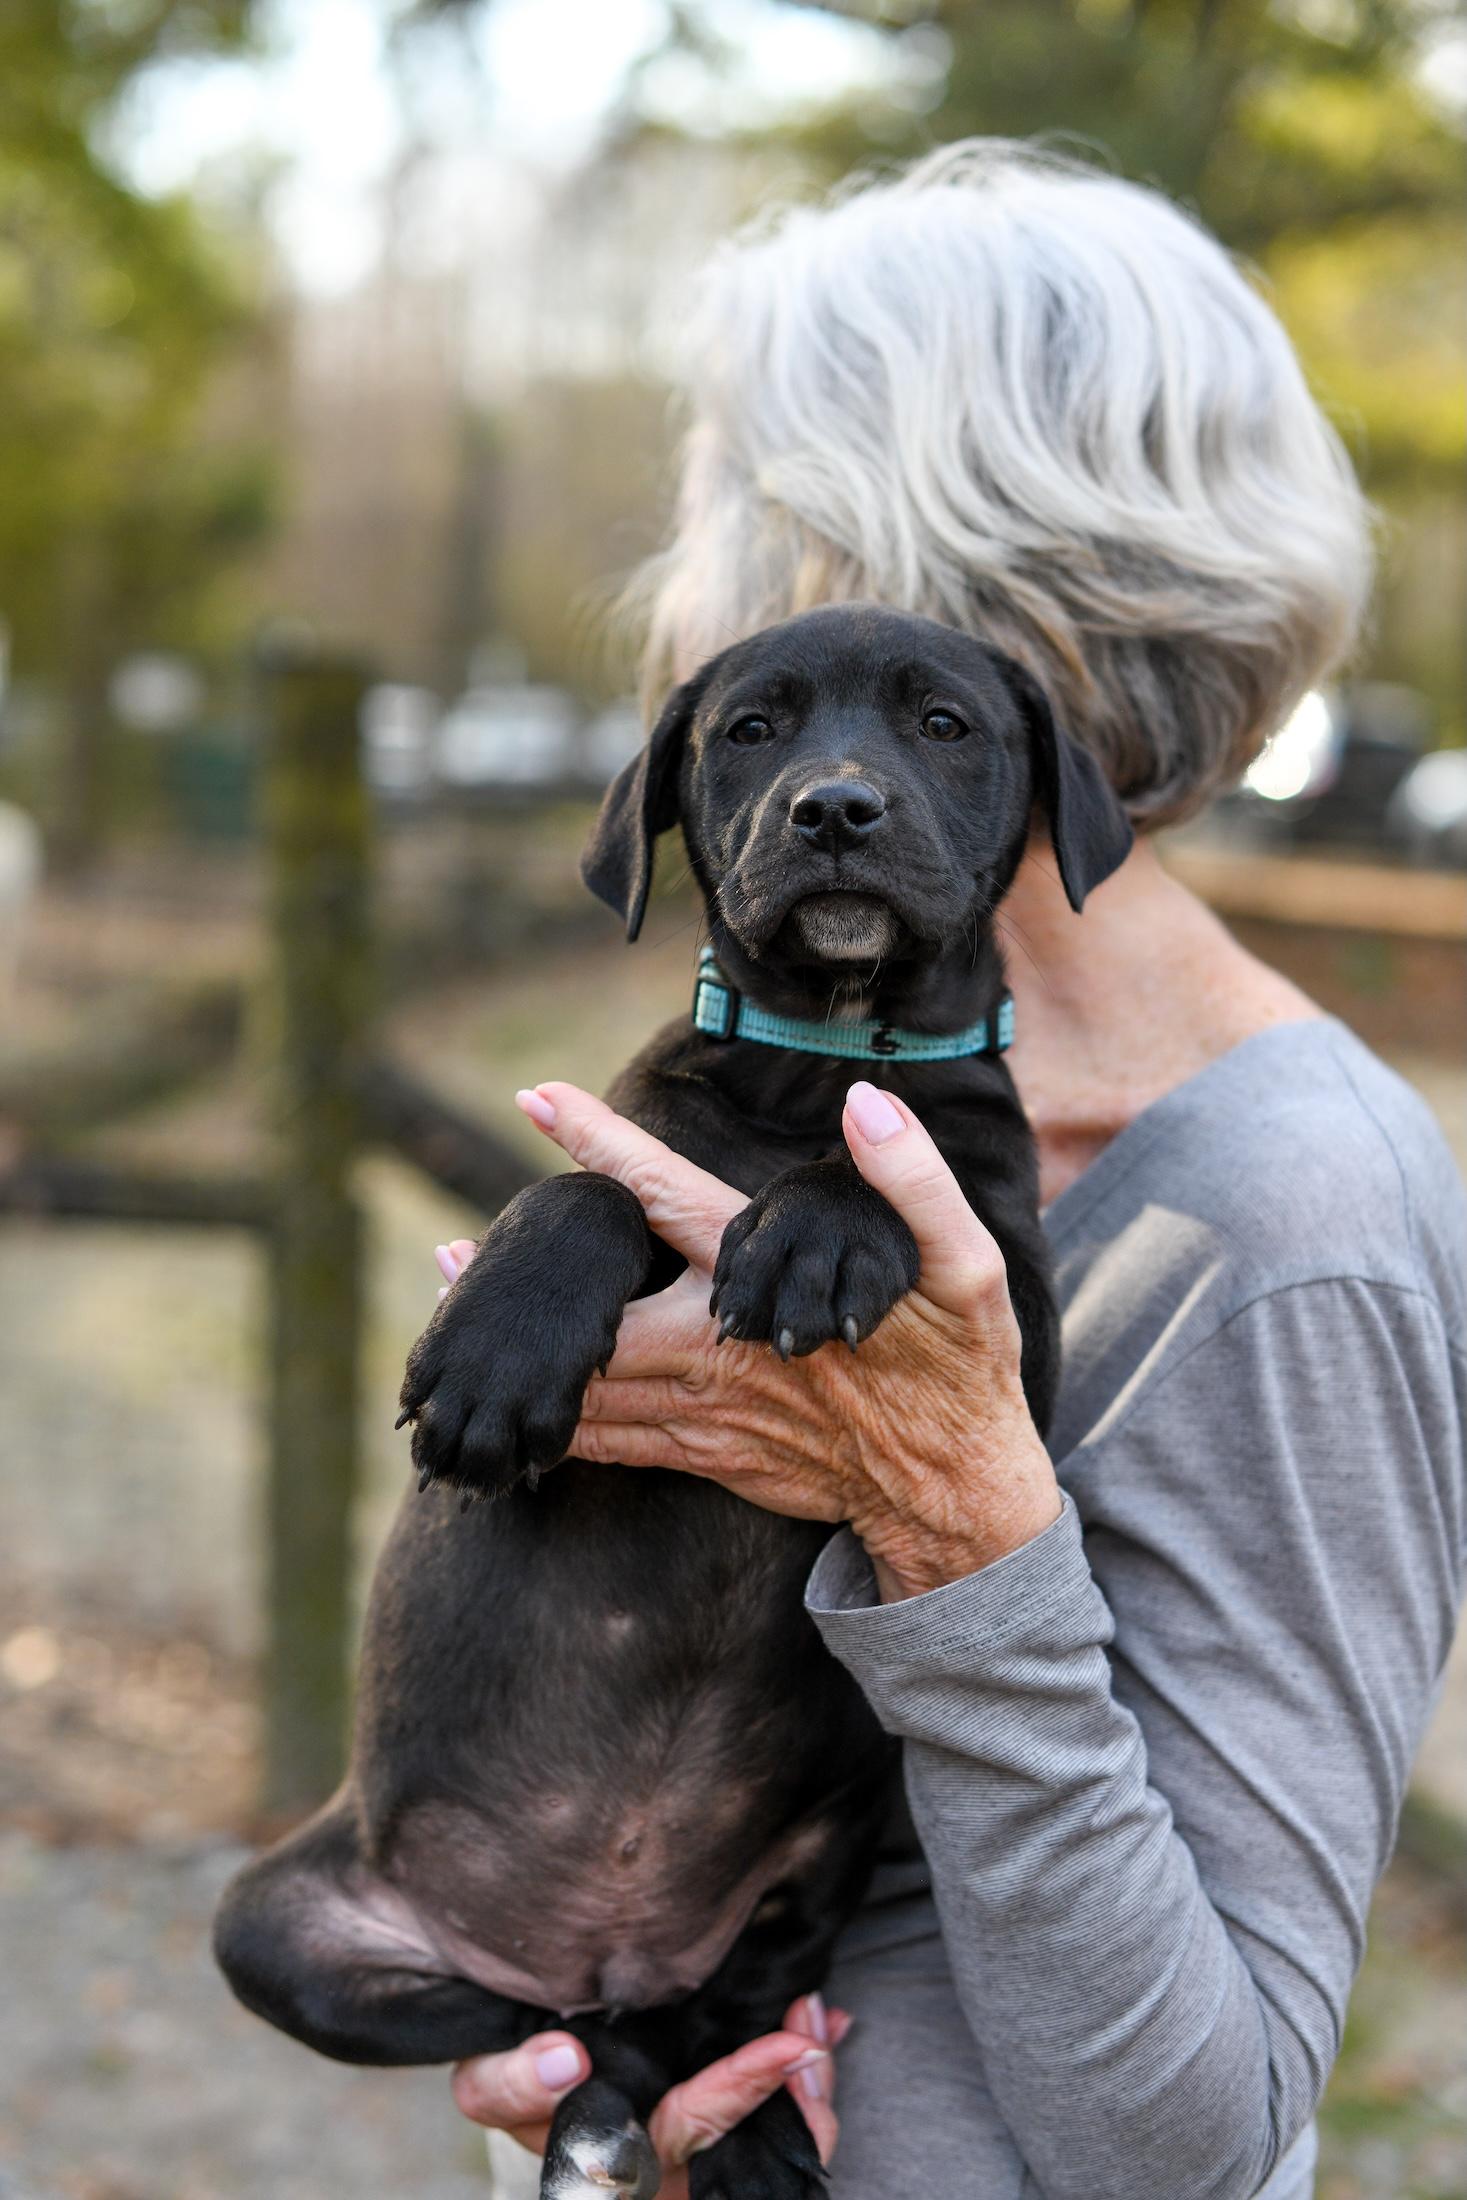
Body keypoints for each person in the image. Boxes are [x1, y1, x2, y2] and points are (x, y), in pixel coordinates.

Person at [439, 143, 1467, 2197]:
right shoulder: (776, 1100)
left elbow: (1189, 2131)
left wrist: (960, 1509)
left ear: (918, 557)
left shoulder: (1286, 1216)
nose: (675, 582)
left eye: (719, 494)